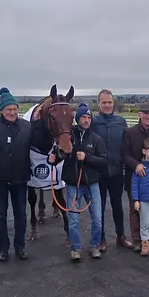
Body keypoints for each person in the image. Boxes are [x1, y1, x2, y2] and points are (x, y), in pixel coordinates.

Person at [49, 103, 106, 262]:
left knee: (97, 218)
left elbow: (103, 160)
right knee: (73, 220)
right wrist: (52, 159)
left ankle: (95, 246)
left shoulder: (96, 139)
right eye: (83, 117)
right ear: (77, 119)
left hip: (92, 184)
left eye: (89, 117)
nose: (86, 120)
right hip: (73, 185)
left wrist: (87, 157)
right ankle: (75, 248)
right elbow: (59, 154)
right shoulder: (68, 136)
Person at [0, 87, 32, 262]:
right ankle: (3, 249)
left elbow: (37, 146)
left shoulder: (27, 126)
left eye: (14, 109)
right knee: (0, 215)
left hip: (20, 178)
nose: (12, 112)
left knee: (21, 214)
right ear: (1, 111)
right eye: (8, 109)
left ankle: (20, 247)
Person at [91, 89, 134, 252]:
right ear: (98, 104)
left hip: (116, 171)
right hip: (98, 172)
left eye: (109, 102)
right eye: (104, 102)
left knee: (118, 206)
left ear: (113, 103)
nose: (107, 105)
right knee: (99, 208)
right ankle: (101, 238)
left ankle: (120, 236)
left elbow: (127, 144)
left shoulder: (121, 122)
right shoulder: (93, 122)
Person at [121, 100, 149, 251]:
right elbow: (124, 154)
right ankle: (137, 239)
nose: (148, 116)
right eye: (145, 113)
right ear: (139, 114)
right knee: (136, 209)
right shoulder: (130, 133)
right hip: (135, 177)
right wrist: (136, 165)